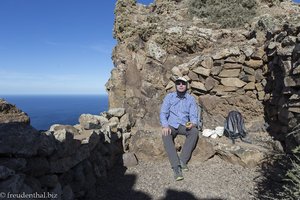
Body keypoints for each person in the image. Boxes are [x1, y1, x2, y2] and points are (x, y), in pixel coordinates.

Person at [160, 77, 199, 181]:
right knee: (165, 134)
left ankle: (182, 161)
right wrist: (165, 125)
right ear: (176, 85)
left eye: (183, 83)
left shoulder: (191, 99)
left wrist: (193, 124)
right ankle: (176, 167)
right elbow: (163, 113)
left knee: (194, 132)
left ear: (186, 86)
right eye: (178, 83)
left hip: (184, 125)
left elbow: (193, 115)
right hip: (171, 125)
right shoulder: (169, 97)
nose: (181, 85)